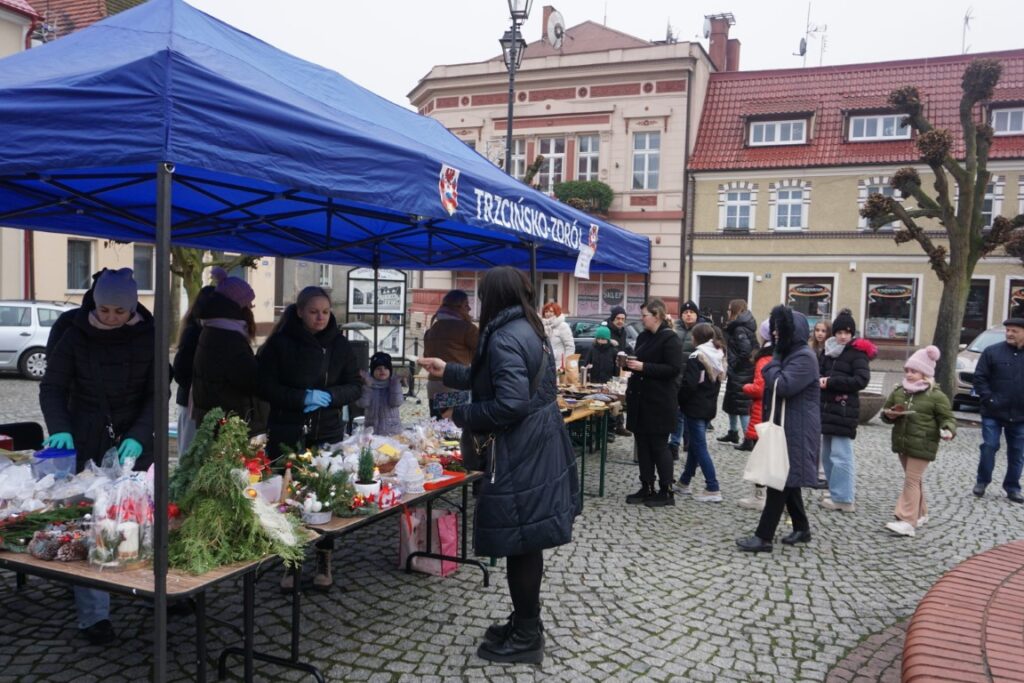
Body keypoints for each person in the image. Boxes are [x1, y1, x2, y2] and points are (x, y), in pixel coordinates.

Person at [417, 266, 579, 665]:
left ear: (494, 296)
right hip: (539, 441)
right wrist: (449, 370)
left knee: (521, 543)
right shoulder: (527, 327)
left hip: (524, 449)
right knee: (526, 541)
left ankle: (526, 635)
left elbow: (510, 404)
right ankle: (526, 621)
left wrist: (462, 413)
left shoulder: (506, 334)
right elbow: (494, 378)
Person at [39, 268, 155, 644]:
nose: (110, 317)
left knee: (139, 519)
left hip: (133, 444)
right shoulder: (74, 333)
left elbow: (158, 394)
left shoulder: (149, 336)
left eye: (119, 312)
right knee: (94, 523)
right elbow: (52, 387)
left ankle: (149, 588)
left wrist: (139, 435)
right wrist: (60, 427)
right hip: (87, 439)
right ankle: (94, 616)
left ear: (132, 308)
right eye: (104, 309)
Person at [257, 285, 362, 589]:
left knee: (324, 496)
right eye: (314, 312)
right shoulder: (279, 343)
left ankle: (324, 558)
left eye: (325, 312)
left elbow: (355, 386)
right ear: (300, 311)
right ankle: (291, 560)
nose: (320, 317)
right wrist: (300, 397)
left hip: (326, 431)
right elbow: (264, 385)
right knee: (289, 498)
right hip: (288, 431)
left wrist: (329, 396)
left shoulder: (340, 345)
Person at [736, 305, 820, 553]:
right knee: (787, 478)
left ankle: (763, 537)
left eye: (778, 331)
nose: (774, 336)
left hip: (797, 428)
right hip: (788, 425)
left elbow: (782, 385)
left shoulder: (804, 356)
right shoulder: (791, 354)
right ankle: (802, 528)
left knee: (779, 481)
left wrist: (770, 365)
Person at [881, 346, 956, 536]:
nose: (909, 374)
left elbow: (947, 418)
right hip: (903, 443)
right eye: (907, 370)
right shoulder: (900, 391)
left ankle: (907, 521)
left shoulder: (936, 395)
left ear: (925, 373)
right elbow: (885, 413)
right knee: (915, 479)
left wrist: (947, 430)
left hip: (924, 444)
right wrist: (890, 415)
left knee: (911, 480)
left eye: (914, 371)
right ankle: (921, 513)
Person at [624, 298, 683, 507]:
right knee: (643, 445)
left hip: (659, 401)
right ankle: (647, 485)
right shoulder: (643, 337)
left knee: (659, 446)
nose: (642, 319)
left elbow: (673, 369)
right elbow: (640, 362)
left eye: (644, 315)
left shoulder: (670, 339)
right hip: (640, 399)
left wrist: (644, 367)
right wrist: (629, 364)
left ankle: (666, 490)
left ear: (656, 315)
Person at [190, 274, 267, 435]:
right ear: (237, 305)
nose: (252, 307)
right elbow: (251, 379)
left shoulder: (214, 328)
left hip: (216, 419)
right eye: (248, 303)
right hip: (228, 425)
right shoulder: (228, 336)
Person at [818, 310, 876, 513]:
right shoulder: (827, 351)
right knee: (826, 455)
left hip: (843, 410)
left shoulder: (856, 353)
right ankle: (835, 491)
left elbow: (861, 380)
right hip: (826, 408)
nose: (843, 336)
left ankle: (844, 498)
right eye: (840, 332)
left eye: (847, 332)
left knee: (842, 455)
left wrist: (831, 382)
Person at [972, 307, 1024, 503]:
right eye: (1008, 330)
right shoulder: (992, 351)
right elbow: (980, 378)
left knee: (1017, 452)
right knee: (989, 446)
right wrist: (989, 398)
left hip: (1020, 414)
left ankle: (1012, 487)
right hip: (993, 410)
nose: (1009, 333)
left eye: (1015, 331)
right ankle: (982, 481)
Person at [676, 323, 725, 502]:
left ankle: (713, 487)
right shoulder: (718, 355)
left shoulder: (696, 357)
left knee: (700, 447)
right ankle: (684, 482)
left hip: (694, 407)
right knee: (695, 446)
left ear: (696, 338)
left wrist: (679, 400)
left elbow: (689, 384)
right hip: (708, 406)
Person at [171, 275, 218, 454]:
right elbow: (181, 371)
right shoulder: (194, 332)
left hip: (201, 402)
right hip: (191, 403)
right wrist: (198, 387)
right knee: (189, 452)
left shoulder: (199, 329)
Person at [422, 289, 478, 419]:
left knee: (438, 428)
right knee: (455, 430)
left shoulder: (432, 329)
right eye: (466, 305)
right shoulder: (467, 329)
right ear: (456, 307)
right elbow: (482, 353)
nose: (469, 308)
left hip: (434, 386)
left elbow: (426, 356)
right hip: (456, 384)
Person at [737, 319, 775, 510]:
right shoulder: (782, 354)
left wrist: (746, 387)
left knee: (761, 456)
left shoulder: (764, 357)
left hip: (762, 411)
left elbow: (760, 388)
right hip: (774, 412)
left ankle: (760, 496)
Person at [669, 300, 710, 459]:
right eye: (685, 312)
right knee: (677, 413)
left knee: (690, 413)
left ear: (696, 315)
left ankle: (689, 442)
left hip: (694, 379)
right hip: (677, 377)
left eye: (691, 312)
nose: (688, 314)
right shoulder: (675, 329)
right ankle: (674, 444)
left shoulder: (702, 331)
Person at [718, 300, 757, 446]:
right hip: (739, 372)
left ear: (735, 310)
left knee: (742, 407)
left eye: (729, 309)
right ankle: (733, 433)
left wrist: (733, 364)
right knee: (732, 403)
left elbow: (745, 351)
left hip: (742, 372)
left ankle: (748, 439)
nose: (727, 312)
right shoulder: (740, 326)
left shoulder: (739, 329)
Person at [358, 352, 404, 436]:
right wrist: (367, 386)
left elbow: (396, 402)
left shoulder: (393, 383)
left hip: (392, 431)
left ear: (390, 371)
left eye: (386, 368)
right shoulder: (368, 385)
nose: (382, 370)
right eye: (378, 368)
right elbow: (362, 404)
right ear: (372, 371)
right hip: (372, 431)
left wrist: (395, 384)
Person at [605, 305, 633, 437]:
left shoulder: (623, 331)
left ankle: (619, 425)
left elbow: (624, 347)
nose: (621, 321)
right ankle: (609, 428)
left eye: (623, 318)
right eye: (618, 318)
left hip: (620, 368)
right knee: (610, 398)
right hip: (608, 367)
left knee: (621, 396)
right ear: (613, 318)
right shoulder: (606, 329)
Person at [541, 302, 574, 369]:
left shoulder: (562, 326)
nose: (548, 314)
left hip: (559, 366)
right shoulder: (541, 326)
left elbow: (570, 347)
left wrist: (565, 364)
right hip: (544, 364)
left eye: (551, 311)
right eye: (546, 311)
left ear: (556, 312)